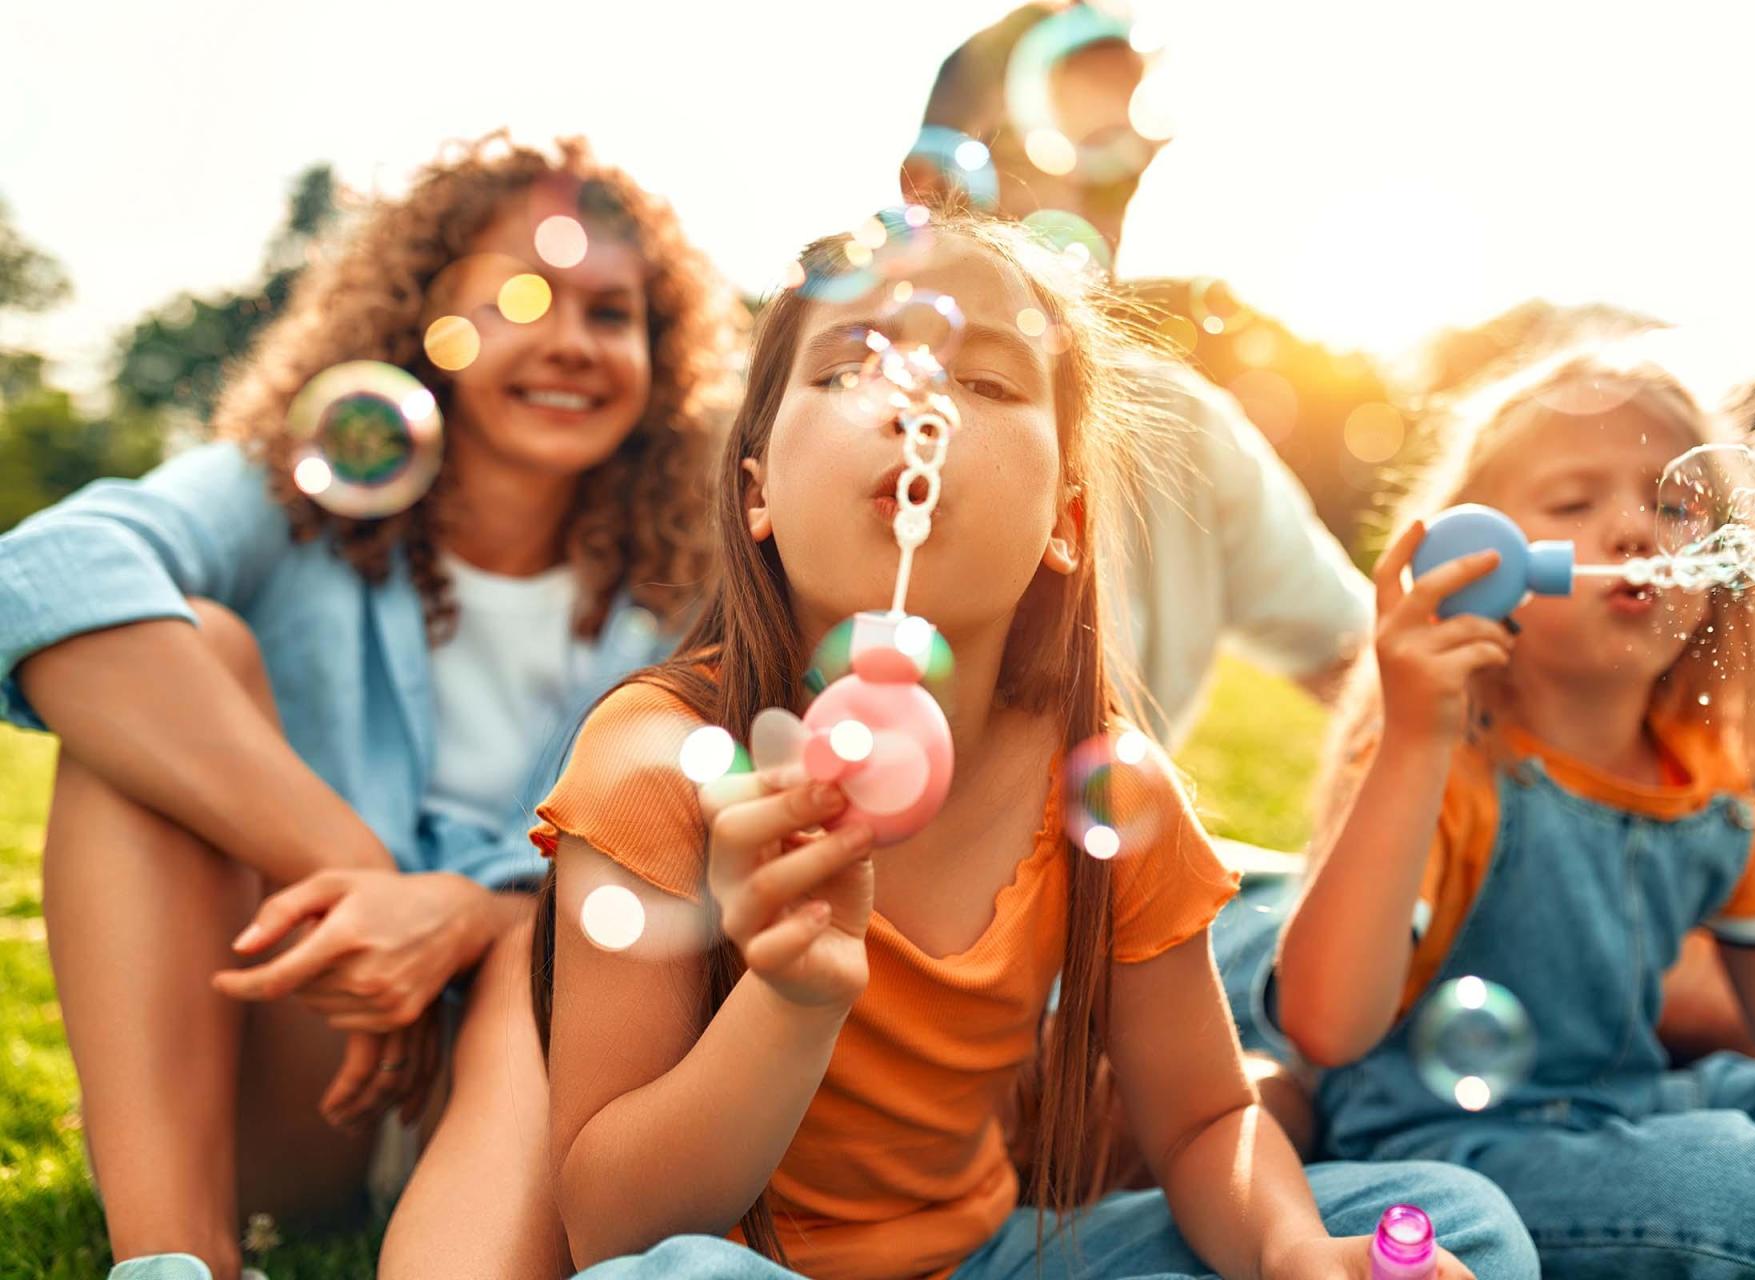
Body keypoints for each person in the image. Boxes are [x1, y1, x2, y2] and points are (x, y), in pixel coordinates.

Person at [525, 214, 1538, 1278]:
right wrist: (791, 998)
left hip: (1003, 1259)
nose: (918, 405)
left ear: (1066, 521)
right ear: (756, 490)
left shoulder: (1102, 787)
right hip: (752, 1264)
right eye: (848, 370)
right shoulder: (658, 761)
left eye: (991, 387)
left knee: (1447, 1225)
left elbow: (1201, 1121)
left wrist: (1290, 1250)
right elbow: (614, 1232)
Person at [0, 134, 739, 1280]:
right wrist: (355, 868)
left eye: (611, 313)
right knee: (178, 646)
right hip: (309, 1064)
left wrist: (464, 913)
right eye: (521, 298)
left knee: (556, 916)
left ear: (660, 356)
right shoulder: (292, 487)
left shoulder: (690, 589)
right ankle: (175, 1262)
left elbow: (672, 888)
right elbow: (45, 575)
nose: (568, 343)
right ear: (420, 326)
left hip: (533, 1089)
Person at [1276, 345, 1755, 1276]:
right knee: (1735, 1182)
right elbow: (1326, 1025)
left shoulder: (1712, 788)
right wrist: (1416, 738)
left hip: (1633, 1113)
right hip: (1456, 1151)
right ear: (1483, 561)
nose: (1632, 531)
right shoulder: (1446, 766)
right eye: (1575, 503)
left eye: (1672, 508)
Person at [904, 0, 1371, 742]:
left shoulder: (1179, 424)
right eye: (1065, 153)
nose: (1107, 198)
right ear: (934, 185)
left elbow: (1356, 662)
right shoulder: (822, 414)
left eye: (1124, 167)